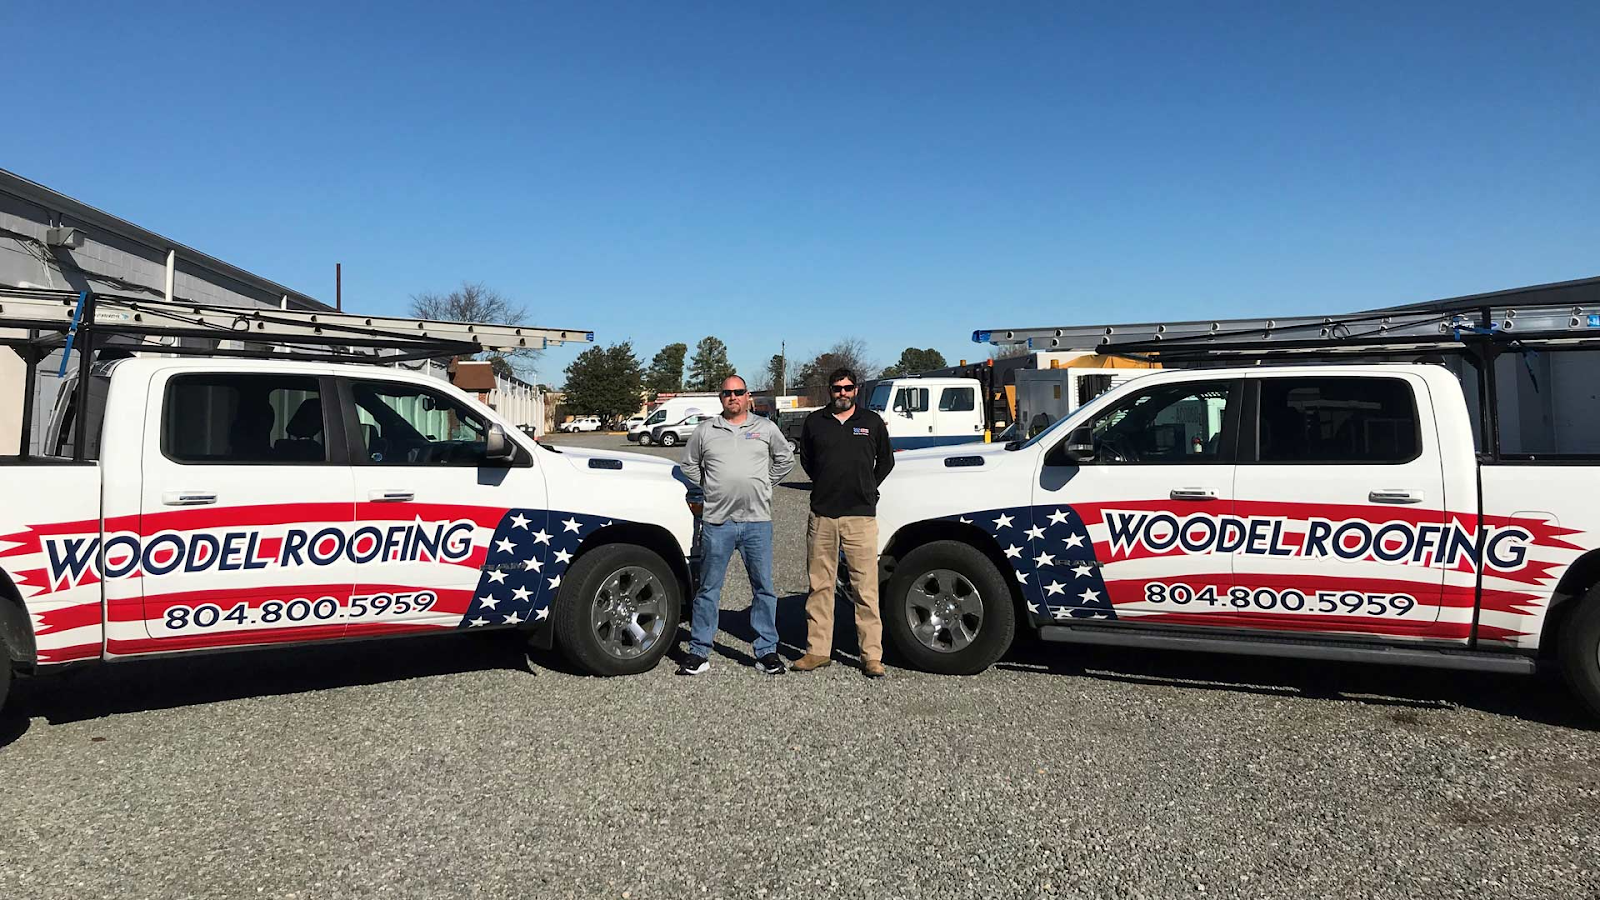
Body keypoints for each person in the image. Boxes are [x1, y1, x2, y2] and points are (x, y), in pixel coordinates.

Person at [677, 374, 797, 675]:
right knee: (708, 589)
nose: (733, 397)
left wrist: (764, 483)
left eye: (739, 392)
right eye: (727, 393)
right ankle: (699, 651)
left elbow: (785, 459)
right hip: (718, 522)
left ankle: (766, 651)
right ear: (721, 398)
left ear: (747, 396)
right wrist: (709, 486)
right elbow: (688, 464)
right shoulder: (706, 431)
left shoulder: (765, 428)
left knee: (763, 588)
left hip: (757, 522)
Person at [794, 368, 894, 677]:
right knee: (820, 586)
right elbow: (808, 461)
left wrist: (867, 487)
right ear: (830, 390)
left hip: (860, 517)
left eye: (848, 388)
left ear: (856, 390)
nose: (843, 393)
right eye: (837, 388)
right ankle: (817, 650)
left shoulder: (871, 422)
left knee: (865, 588)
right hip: (823, 515)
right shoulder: (815, 422)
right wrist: (826, 482)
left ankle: (871, 656)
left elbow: (886, 461)